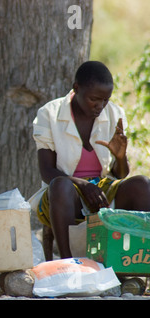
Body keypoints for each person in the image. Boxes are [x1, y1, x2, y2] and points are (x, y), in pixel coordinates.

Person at [30, 61, 150, 260]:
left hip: (102, 189)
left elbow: (120, 174)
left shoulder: (114, 113)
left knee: (143, 185)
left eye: (105, 100)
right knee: (60, 186)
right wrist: (83, 185)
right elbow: (47, 171)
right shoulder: (49, 113)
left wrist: (120, 157)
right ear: (76, 88)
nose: (100, 106)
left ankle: (135, 261)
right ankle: (69, 263)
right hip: (63, 194)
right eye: (94, 99)